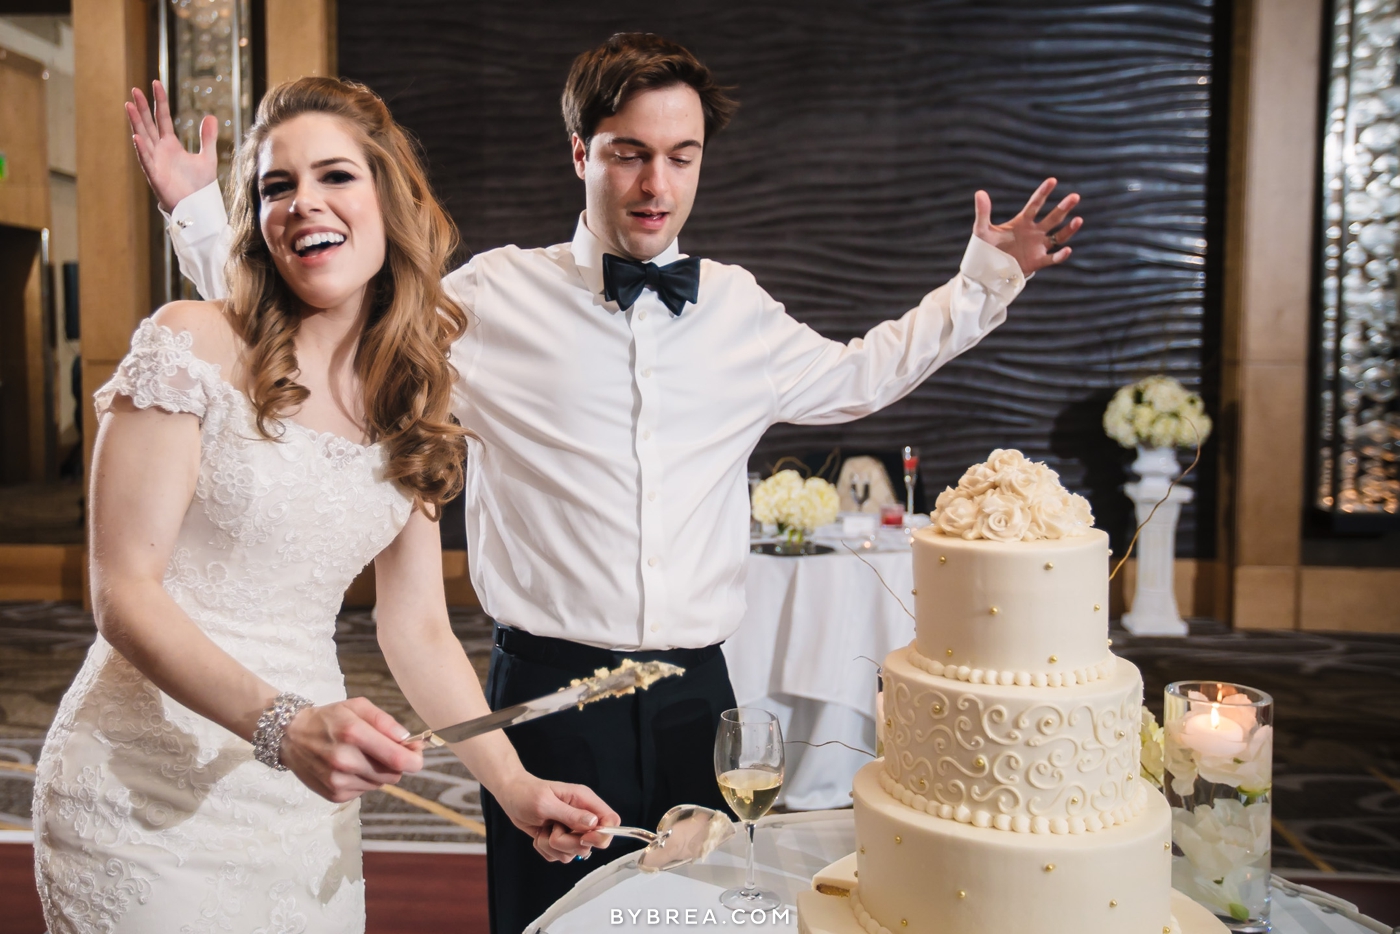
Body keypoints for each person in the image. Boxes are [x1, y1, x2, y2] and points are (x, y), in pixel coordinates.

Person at [129, 33, 1082, 934]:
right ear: (581, 153)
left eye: (681, 155)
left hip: (697, 695)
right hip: (548, 695)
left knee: (694, 919)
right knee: (552, 921)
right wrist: (201, 216)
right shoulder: (493, 296)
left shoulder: (740, 309)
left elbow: (861, 375)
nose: (656, 183)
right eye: (628, 153)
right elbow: (327, 330)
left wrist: (983, 283)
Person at [34, 76, 616, 934]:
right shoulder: (191, 342)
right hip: (140, 793)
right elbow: (125, 594)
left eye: (335, 175)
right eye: (278, 185)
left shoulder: (416, 399)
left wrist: (516, 786)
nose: (305, 201)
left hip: (304, 804)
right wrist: (282, 726)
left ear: (390, 199)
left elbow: (414, 629)